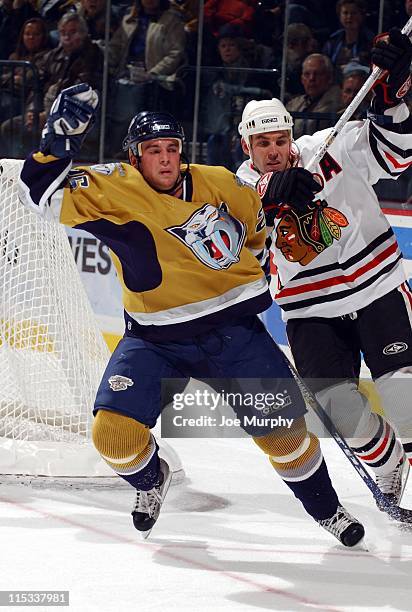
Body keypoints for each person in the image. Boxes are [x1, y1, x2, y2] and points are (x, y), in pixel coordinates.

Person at [18, 85, 365, 547]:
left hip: (234, 333)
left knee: (286, 440)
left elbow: (258, 235)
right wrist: (54, 145)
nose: (164, 159)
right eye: (153, 151)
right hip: (155, 339)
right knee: (113, 436)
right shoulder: (112, 186)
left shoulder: (220, 182)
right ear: (135, 157)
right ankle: (151, 480)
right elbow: (35, 198)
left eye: (172, 149)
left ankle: (328, 511)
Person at [236, 27, 412, 511]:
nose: (274, 149)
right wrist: (271, 197)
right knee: (341, 412)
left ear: (292, 135)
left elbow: (397, 154)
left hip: (376, 289)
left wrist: (391, 92)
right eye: (262, 143)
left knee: (405, 397)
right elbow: (241, 249)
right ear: (246, 147)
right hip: (311, 310)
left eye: (280, 139)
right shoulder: (237, 189)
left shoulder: (329, 149)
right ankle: (389, 464)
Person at [286, 53, 341, 139]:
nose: (311, 78)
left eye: (317, 74)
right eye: (307, 74)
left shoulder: (340, 102)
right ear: (302, 79)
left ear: (329, 77)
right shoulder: (294, 104)